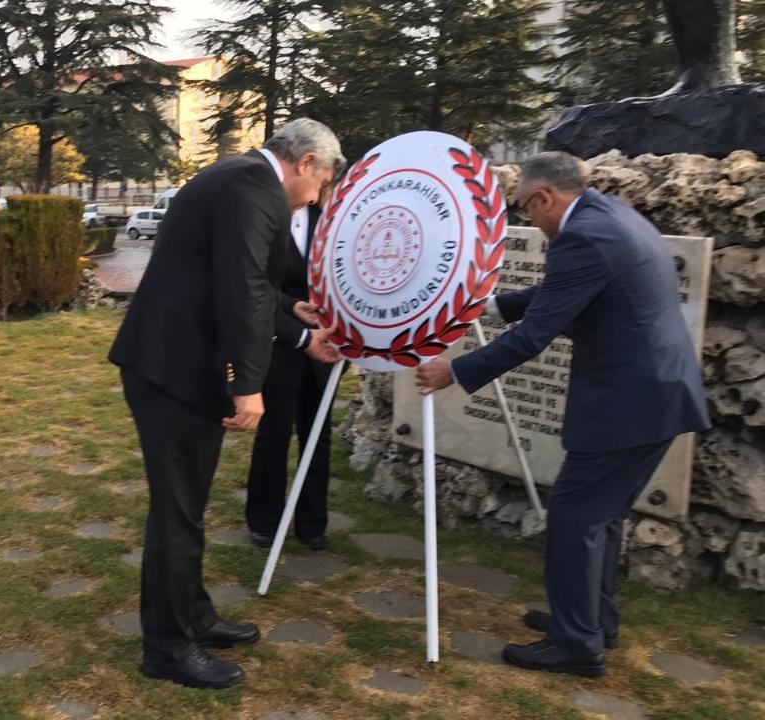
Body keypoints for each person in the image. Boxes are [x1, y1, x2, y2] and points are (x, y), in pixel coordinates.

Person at [415, 152, 710, 678]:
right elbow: (555, 296)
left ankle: (577, 645)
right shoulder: (610, 216)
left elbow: (533, 337)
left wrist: (453, 372)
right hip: (656, 395)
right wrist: (481, 306)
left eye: (529, 211)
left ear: (543, 198)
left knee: (576, 515)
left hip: (629, 403)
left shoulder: (582, 237)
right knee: (600, 516)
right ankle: (591, 621)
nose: (533, 223)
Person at [109, 118, 343, 689]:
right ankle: (166, 649)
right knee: (177, 513)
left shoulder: (242, 178)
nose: (316, 197)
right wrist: (245, 383)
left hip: (177, 366)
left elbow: (254, 286)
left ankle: (193, 615)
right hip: (174, 372)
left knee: (186, 509)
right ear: (305, 163)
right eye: (321, 184)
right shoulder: (252, 188)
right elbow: (239, 289)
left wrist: (293, 323)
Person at [246, 198, 348, 550]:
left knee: (317, 436)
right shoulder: (266, 216)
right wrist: (289, 317)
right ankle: (264, 521)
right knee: (273, 435)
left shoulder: (330, 220)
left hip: (324, 342)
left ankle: (312, 523)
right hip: (277, 338)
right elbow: (254, 283)